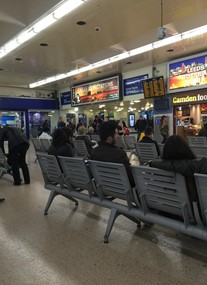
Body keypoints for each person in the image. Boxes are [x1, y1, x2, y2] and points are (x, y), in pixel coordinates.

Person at [149, 135, 207, 202]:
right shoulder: (193, 167)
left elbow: (175, 164)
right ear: (186, 148)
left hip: (164, 205)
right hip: (192, 208)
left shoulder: (159, 166)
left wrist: (152, 163)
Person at [90, 120, 134, 186]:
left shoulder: (94, 152)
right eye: (116, 134)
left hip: (102, 187)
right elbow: (132, 179)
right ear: (110, 138)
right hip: (119, 189)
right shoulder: (120, 154)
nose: (118, 136)